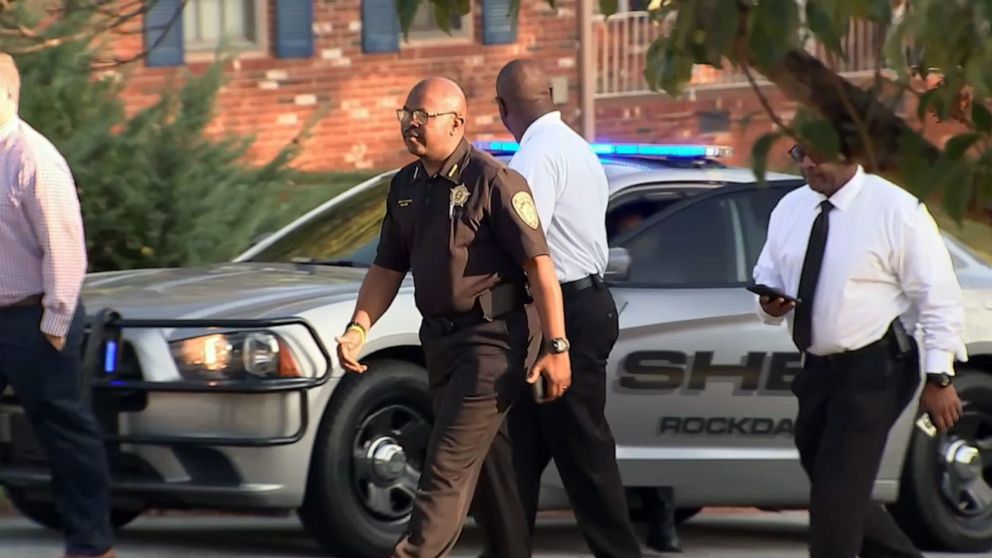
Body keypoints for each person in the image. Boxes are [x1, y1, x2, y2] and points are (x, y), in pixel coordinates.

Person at [334, 76, 571, 558]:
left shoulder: (494, 181)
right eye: (407, 115)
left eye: (423, 116)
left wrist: (557, 346)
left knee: (445, 465)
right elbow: (386, 267)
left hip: (491, 344)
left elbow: (540, 268)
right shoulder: (406, 186)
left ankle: (414, 553)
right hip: (440, 342)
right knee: (488, 469)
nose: (412, 125)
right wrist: (359, 327)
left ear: (458, 122)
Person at [752, 141, 967, 558]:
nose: (809, 164)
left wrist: (940, 376)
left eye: (818, 154)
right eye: (801, 155)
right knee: (833, 483)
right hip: (816, 368)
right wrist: (768, 303)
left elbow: (938, 299)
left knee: (834, 499)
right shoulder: (791, 209)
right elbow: (768, 272)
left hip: (877, 367)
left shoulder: (896, 210)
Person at [472, 59, 643, 558]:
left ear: (503, 108)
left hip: (561, 312)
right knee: (518, 452)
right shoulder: (577, 148)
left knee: (582, 452)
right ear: (549, 94)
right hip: (583, 302)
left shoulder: (535, 158)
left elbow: (521, 244)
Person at [0, 54, 115, 558]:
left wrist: (56, 320)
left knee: (65, 433)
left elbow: (66, 247)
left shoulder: (32, 159)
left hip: (35, 319)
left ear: (7, 94)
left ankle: (91, 546)